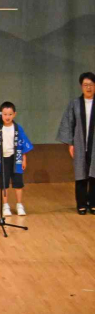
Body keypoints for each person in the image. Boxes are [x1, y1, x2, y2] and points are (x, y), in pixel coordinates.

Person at [0, 101, 33, 216]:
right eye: (5, 114)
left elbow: (23, 144)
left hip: (16, 158)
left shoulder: (18, 129)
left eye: (10, 114)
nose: (7, 117)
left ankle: (19, 204)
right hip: (2, 159)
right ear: (0, 114)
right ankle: (5, 205)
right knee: (4, 183)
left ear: (14, 114)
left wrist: (24, 159)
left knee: (18, 182)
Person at [57, 71, 95, 215]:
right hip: (79, 143)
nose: (89, 87)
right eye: (85, 85)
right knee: (80, 174)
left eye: (91, 84)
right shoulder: (75, 104)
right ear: (81, 86)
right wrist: (70, 144)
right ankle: (81, 203)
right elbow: (68, 123)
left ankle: (93, 203)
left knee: (94, 174)